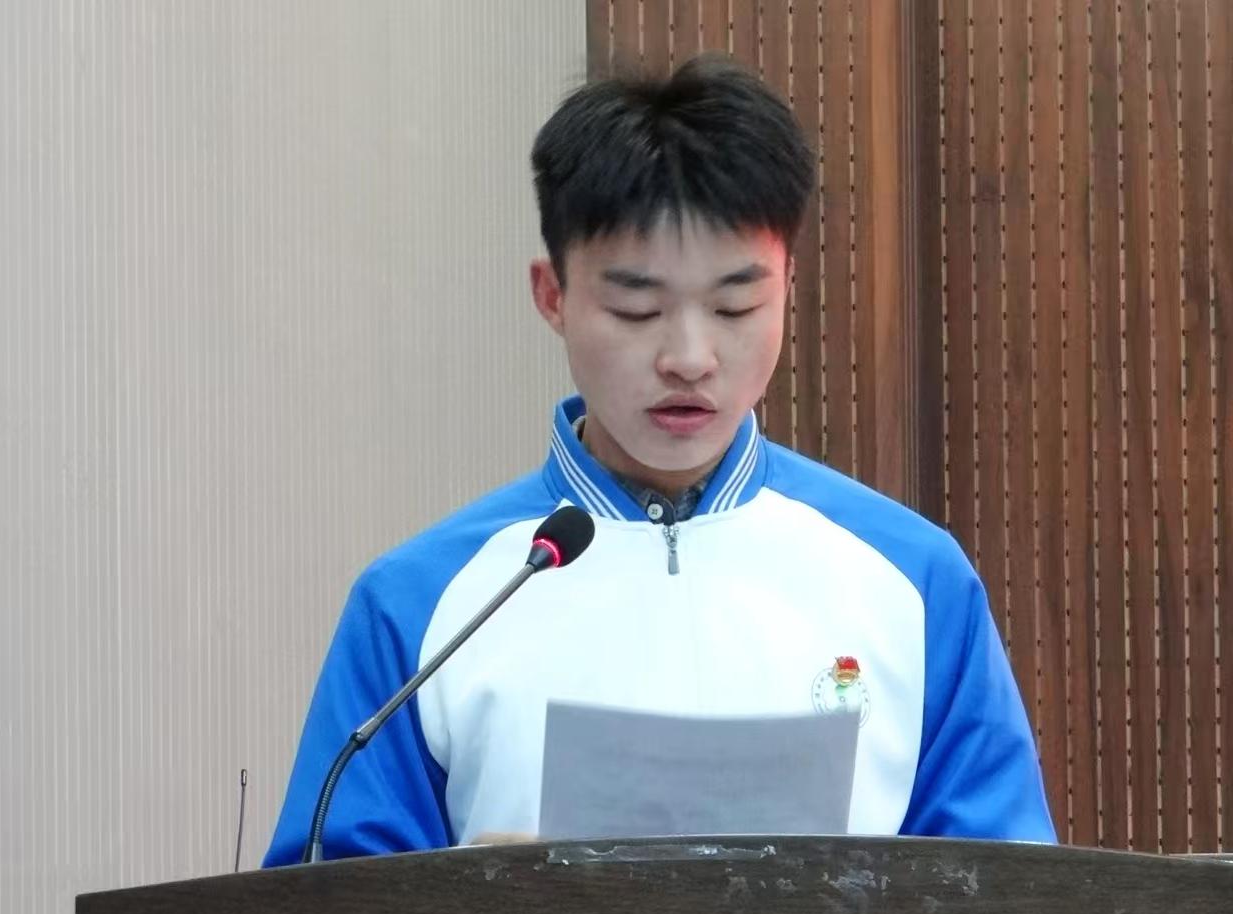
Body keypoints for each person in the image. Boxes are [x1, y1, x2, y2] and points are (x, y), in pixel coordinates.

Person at [263, 55, 1055, 866]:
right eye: (636, 309)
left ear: (789, 285)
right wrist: (476, 909)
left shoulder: (913, 580)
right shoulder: (424, 604)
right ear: (552, 295)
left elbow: (1013, 904)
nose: (688, 358)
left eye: (735, 306)